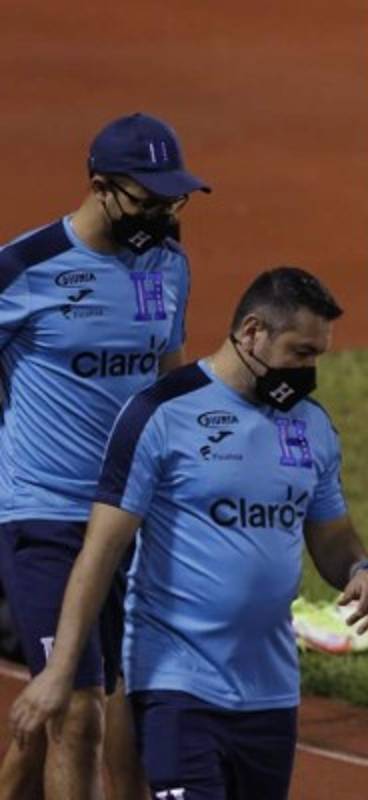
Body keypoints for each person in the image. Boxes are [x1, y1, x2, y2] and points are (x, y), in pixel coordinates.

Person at [8, 266, 368, 799]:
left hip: (270, 692)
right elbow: (100, 553)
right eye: (301, 353)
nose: (310, 371)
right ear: (253, 331)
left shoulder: (312, 426)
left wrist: (362, 568)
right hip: (176, 683)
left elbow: (332, 533)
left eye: (318, 355)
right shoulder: (160, 414)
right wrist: (60, 670)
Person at [0, 111, 208, 799]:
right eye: (147, 201)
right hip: (44, 516)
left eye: (171, 201)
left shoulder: (167, 265)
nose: (163, 215)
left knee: (103, 704)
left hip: (128, 520)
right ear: (99, 186)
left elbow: (167, 384)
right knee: (77, 708)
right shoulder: (24, 270)